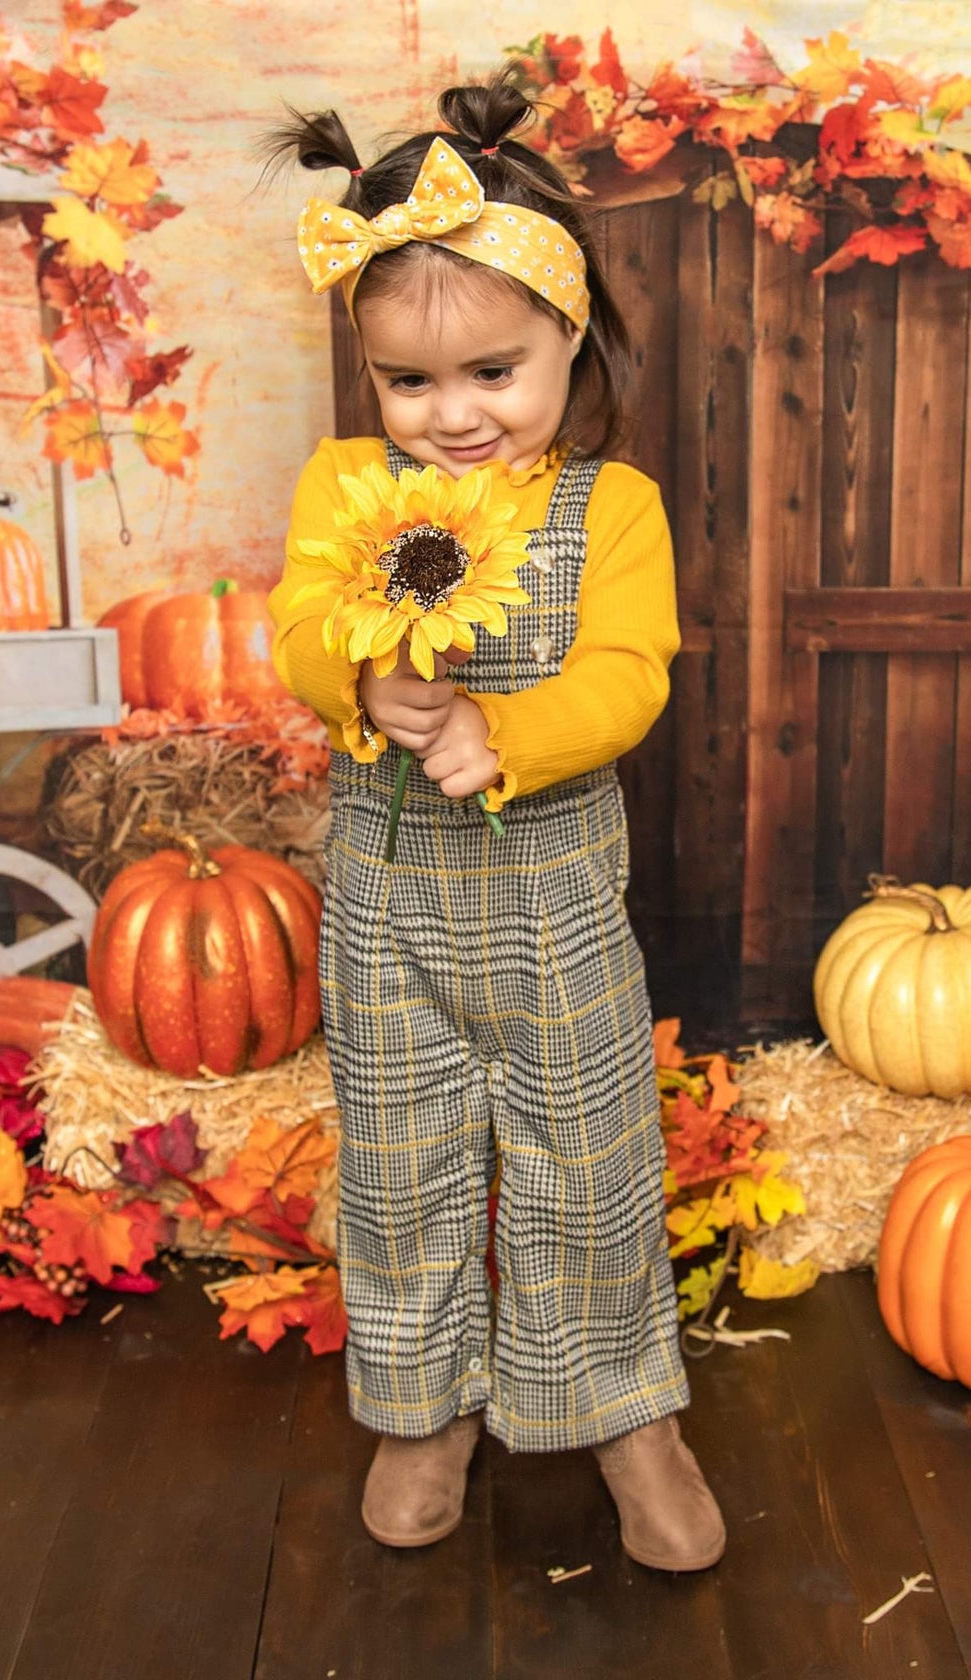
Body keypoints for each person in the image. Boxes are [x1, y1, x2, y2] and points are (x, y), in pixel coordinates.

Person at [265, 71, 725, 1574]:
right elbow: (294, 625)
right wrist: (362, 682)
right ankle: (420, 1404)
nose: (452, 417)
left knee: (586, 1154)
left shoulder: (615, 509)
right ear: (372, 379)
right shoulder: (348, 488)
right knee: (398, 1161)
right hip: (388, 907)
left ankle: (621, 1409)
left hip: (555, 904)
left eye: (492, 374)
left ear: (566, 339)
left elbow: (626, 673)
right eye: (411, 384)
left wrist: (501, 728)